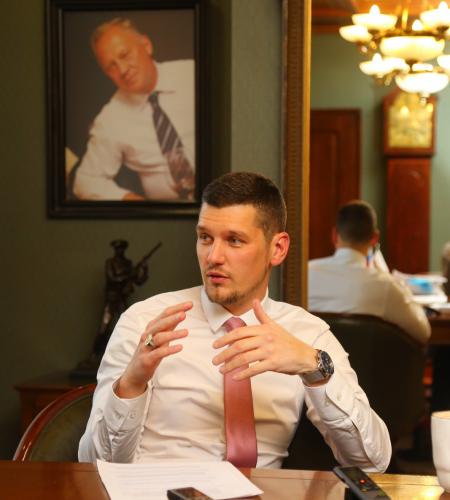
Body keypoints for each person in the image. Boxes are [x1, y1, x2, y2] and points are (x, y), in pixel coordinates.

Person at [79, 173, 391, 471]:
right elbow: (95, 464)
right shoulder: (145, 323)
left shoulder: (307, 335)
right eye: (205, 237)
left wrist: (314, 366)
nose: (213, 256)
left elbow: (372, 462)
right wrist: (132, 384)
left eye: (234, 240)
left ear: (277, 249)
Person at [73, 18, 195, 201]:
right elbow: (84, 182)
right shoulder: (110, 119)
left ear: (146, 45)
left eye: (124, 55)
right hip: (167, 211)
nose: (122, 70)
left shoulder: (192, 74)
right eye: (111, 66)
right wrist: (131, 200)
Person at [308, 200, 431, 345]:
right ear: (374, 238)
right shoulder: (386, 286)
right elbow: (423, 332)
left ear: (334, 235)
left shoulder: (306, 274)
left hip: (314, 357)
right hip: (370, 360)